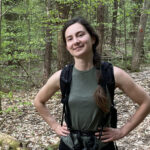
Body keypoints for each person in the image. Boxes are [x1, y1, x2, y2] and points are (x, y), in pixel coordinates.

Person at [34, 16, 150, 150]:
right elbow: (38, 101)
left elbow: (146, 101)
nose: (76, 41)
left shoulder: (112, 74)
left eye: (80, 35)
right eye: (70, 38)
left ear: (93, 39)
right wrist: (55, 126)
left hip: (102, 146)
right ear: (67, 46)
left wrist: (122, 131)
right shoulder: (62, 76)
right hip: (70, 145)